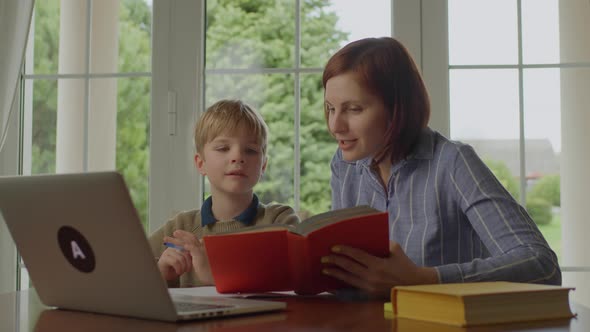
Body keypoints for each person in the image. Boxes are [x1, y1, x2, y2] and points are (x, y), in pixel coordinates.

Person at [319, 37, 561, 299]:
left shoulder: (453, 163)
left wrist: (425, 279)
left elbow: (543, 267)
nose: (335, 126)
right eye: (330, 109)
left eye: (353, 109)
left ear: (398, 109)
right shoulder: (345, 166)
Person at [149, 99, 299, 288]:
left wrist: (216, 275)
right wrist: (160, 274)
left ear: (263, 166)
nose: (237, 157)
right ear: (200, 163)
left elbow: (296, 281)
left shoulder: (280, 221)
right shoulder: (180, 227)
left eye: (250, 150)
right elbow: (128, 276)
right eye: (223, 148)